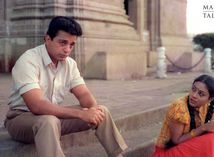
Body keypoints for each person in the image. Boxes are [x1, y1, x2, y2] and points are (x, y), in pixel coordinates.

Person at [4, 16, 127, 157]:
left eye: (71, 44)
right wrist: (81, 114)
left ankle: (117, 155)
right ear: (48, 39)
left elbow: (84, 95)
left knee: (101, 111)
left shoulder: (70, 64)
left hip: (53, 117)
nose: (67, 49)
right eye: (62, 43)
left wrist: (92, 109)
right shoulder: (28, 61)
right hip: (21, 119)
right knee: (48, 121)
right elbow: (36, 105)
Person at [151, 74, 214, 157]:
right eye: (193, 89)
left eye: (201, 94)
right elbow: (176, 141)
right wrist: (203, 127)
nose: (194, 95)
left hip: (190, 147)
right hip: (169, 151)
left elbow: (212, 130)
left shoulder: (212, 106)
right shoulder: (179, 107)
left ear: (210, 98)